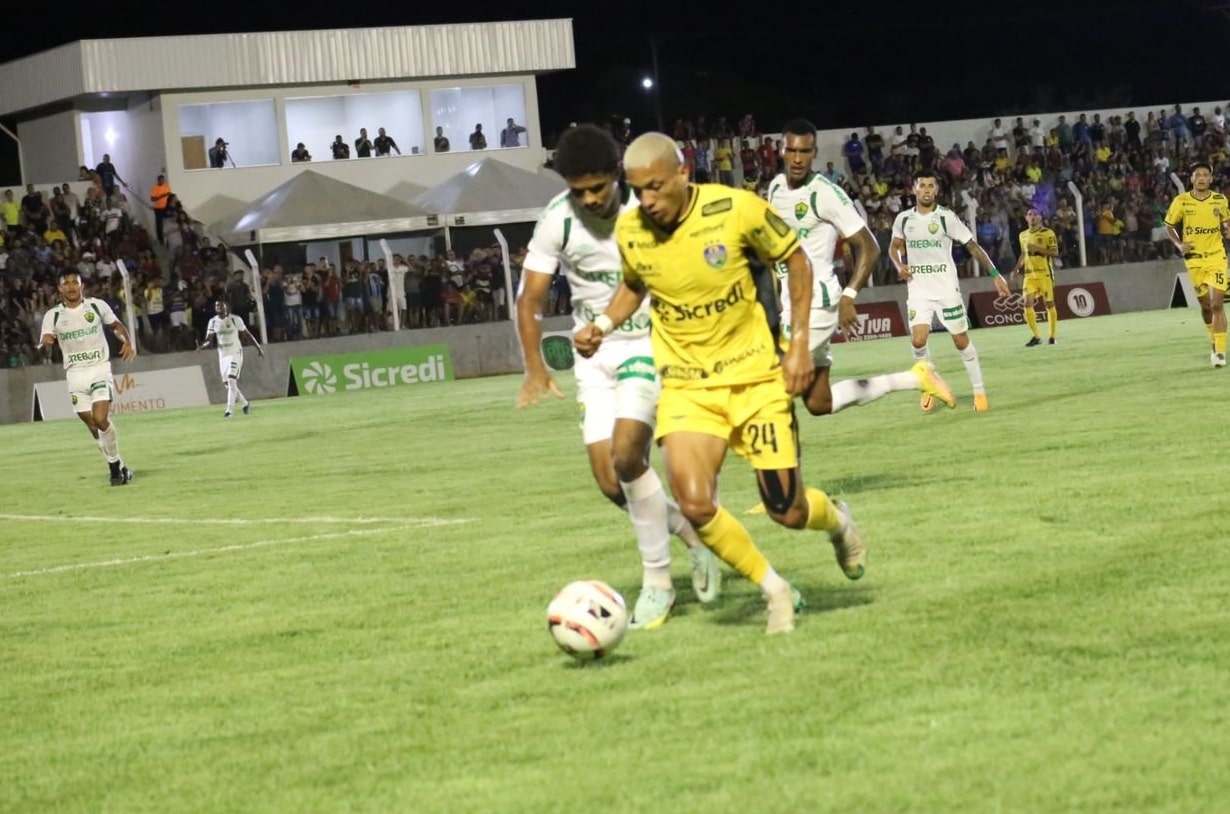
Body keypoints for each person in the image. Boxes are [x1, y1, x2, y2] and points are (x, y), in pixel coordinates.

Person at [575, 133, 867, 636]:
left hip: (755, 380)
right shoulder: (632, 230)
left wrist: (797, 347)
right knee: (694, 500)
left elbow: (796, 261)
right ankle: (773, 588)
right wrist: (602, 326)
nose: (647, 200)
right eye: (638, 190)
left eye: (655, 188)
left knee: (787, 511)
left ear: (682, 173)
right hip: (689, 388)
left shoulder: (738, 209)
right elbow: (633, 283)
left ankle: (839, 522)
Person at [515, 124, 721, 630]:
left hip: (649, 344)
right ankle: (695, 537)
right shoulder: (557, 221)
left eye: (596, 187)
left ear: (615, 176)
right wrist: (535, 367)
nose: (588, 198)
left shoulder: (648, 210)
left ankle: (658, 583)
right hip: (593, 355)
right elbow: (529, 301)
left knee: (629, 456)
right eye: (577, 190)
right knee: (611, 481)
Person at [768, 119, 955, 418]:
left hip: (817, 302)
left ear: (814, 152)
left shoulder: (825, 193)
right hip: (792, 302)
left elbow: (869, 246)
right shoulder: (775, 188)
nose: (798, 158)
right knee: (819, 403)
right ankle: (916, 376)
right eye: (791, 150)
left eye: (805, 151)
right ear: (781, 150)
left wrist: (849, 296)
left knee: (769, 381)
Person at [889, 169, 1011, 412]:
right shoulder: (903, 219)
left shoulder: (946, 217)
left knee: (960, 340)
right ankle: (929, 386)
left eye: (930, 186)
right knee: (918, 339)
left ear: (936, 190)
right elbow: (894, 248)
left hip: (946, 289)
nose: (926, 190)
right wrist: (899, 264)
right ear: (914, 189)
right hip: (918, 289)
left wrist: (995, 274)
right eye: (922, 185)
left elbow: (973, 247)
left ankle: (979, 390)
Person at [36, 268, 136, 486]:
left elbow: (116, 326)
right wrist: (44, 344)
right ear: (60, 288)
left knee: (101, 419)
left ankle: (114, 470)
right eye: (67, 283)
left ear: (82, 285)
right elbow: (45, 338)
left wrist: (127, 340)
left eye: (75, 282)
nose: (71, 286)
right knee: (93, 426)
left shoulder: (96, 306)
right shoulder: (52, 315)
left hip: (99, 368)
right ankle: (118, 464)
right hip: (74, 374)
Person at [1164, 161, 1230, 367]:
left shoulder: (1220, 200)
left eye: (1205, 174)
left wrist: (1227, 229)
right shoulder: (1181, 201)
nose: (1201, 178)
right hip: (1194, 260)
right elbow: (1169, 225)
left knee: (1217, 303)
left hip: (1216, 257)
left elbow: (1225, 222)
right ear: (1191, 178)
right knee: (1205, 305)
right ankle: (1213, 339)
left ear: (1210, 178)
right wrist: (1178, 243)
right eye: (1197, 174)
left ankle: (1219, 352)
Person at [198, 299, 264, 417]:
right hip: (223, 355)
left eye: (221, 305)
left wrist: (258, 348)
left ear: (226, 307)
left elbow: (247, 334)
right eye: (217, 305)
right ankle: (245, 403)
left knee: (231, 379)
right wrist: (202, 346)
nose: (219, 307)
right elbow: (209, 339)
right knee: (228, 385)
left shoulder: (235, 319)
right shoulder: (213, 322)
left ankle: (229, 411)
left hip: (235, 353)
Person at [1010, 207, 1060, 346]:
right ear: (1026, 218)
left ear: (1040, 218)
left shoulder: (1048, 233)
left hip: (1044, 274)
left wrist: (1037, 249)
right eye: (1029, 214)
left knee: (1049, 304)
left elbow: (1055, 252)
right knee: (1027, 304)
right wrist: (1016, 269)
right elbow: (1023, 254)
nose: (1032, 216)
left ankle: (1052, 336)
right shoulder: (1023, 235)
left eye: (1035, 214)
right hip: (1030, 275)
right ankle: (1036, 336)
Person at [149, 174, 171, 245]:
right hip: (158, 209)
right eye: (161, 180)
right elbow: (152, 199)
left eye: (163, 180)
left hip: (166, 208)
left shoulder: (167, 186)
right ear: (158, 180)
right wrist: (162, 196)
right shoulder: (154, 188)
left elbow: (169, 195)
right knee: (159, 225)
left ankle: (168, 240)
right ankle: (160, 240)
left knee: (168, 223)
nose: (162, 181)